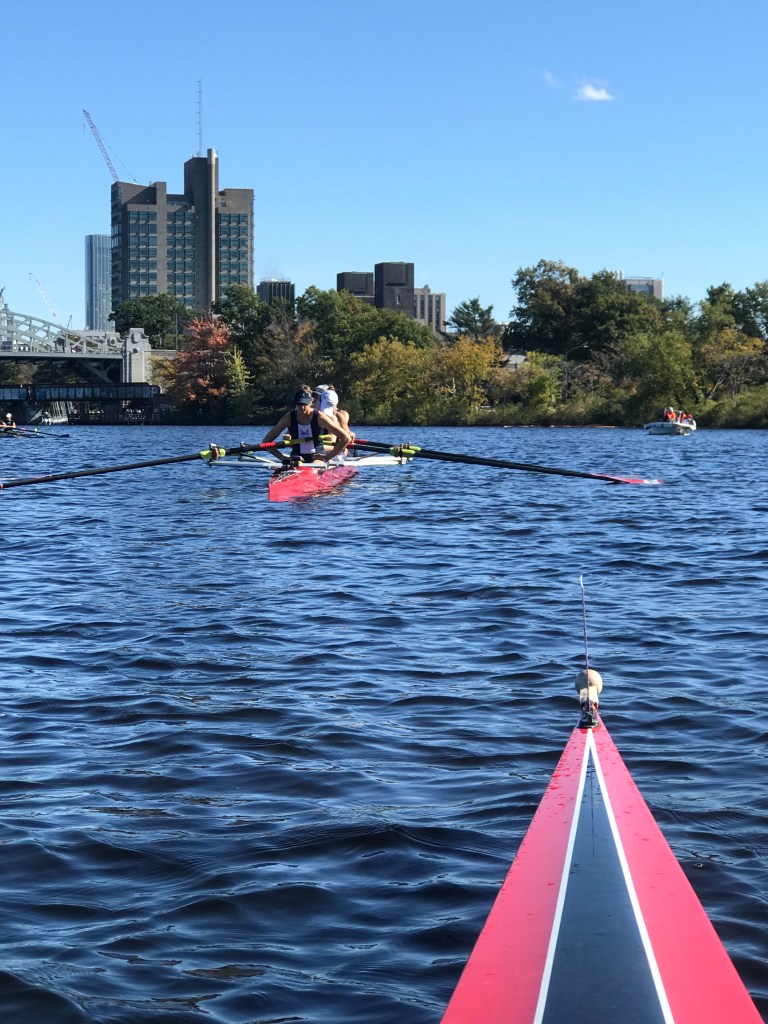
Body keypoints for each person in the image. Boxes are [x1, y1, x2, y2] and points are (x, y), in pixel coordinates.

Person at [262, 388, 351, 465]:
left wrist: (327, 458)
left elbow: (346, 438)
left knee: (314, 468)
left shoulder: (319, 416)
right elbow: (266, 442)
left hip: (317, 457)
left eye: (305, 404)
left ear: (311, 401)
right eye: (299, 404)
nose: (302, 407)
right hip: (296, 457)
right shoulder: (288, 417)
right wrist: (282, 458)